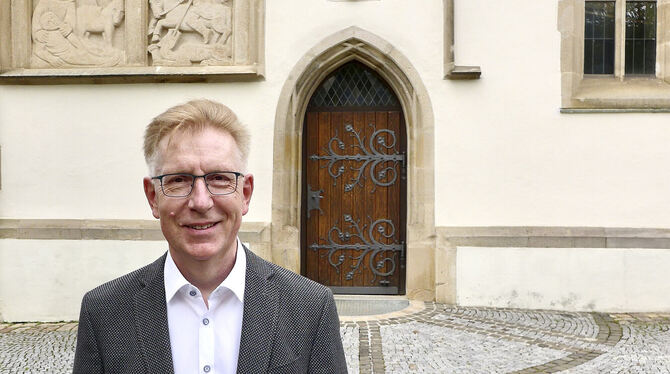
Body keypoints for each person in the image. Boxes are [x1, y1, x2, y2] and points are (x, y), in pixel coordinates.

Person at [73, 99, 347, 373]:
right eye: (179, 180)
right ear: (152, 197)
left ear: (246, 193)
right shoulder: (104, 313)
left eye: (219, 178)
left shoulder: (310, 308)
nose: (201, 202)